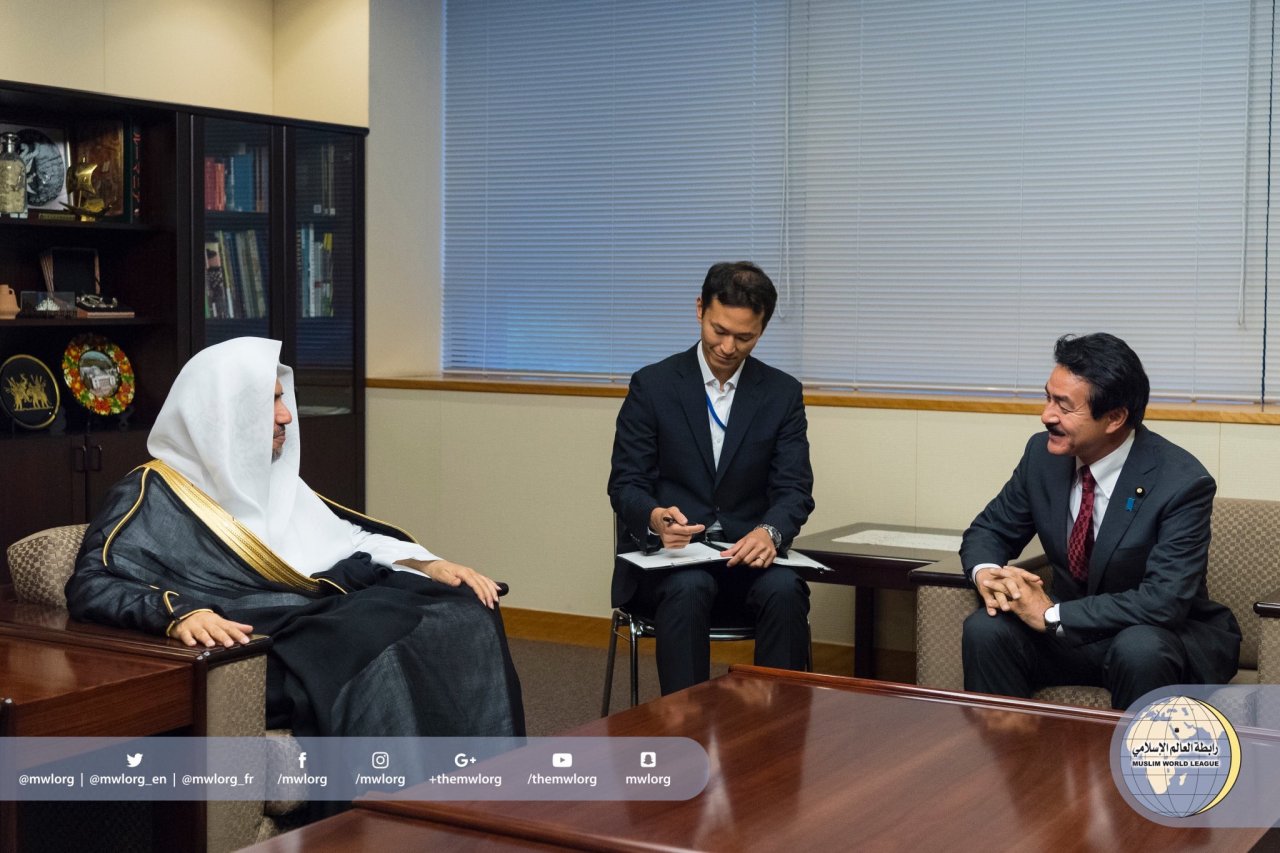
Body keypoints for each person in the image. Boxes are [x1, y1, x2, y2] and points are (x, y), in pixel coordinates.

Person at [66, 337, 524, 739]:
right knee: (372, 637)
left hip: (318, 615)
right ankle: (383, 814)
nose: (287, 415)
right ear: (222, 413)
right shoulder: (151, 493)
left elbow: (347, 538)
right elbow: (92, 583)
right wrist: (179, 613)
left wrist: (427, 564)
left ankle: (473, 791)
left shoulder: (275, 479)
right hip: (262, 642)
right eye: (269, 403)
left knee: (464, 607)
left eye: (284, 399)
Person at [961, 333, 1240, 710]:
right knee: (986, 628)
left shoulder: (1181, 482)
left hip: (1155, 638)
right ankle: (1012, 763)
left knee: (1139, 648)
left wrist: (1050, 614)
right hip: (1073, 635)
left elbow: (1164, 601)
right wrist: (988, 574)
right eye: (1047, 397)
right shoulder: (1042, 458)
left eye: (1063, 405)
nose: (1047, 415)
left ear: (1114, 417)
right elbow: (990, 530)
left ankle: (1133, 768)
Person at [608, 261, 815, 695]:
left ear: (762, 329)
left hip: (748, 559)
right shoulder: (654, 385)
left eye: (745, 337)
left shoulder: (781, 394)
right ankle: (686, 732)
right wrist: (656, 517)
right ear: (700, 309)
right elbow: (626, 482)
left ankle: (780, 736)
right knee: (689, 587)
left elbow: (794, 489)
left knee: (786, 589)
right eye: (719, 330)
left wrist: (770, 532)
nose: (727, 346)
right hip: (673, 565)